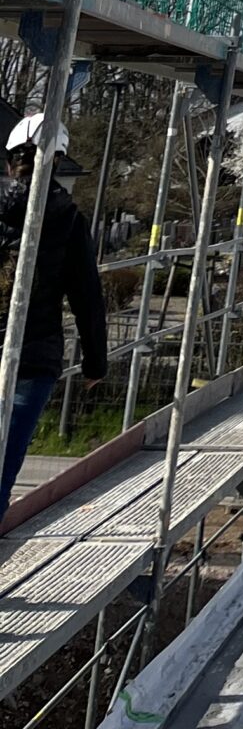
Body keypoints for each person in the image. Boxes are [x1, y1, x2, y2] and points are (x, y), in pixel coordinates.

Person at [0, 113, 109, 519]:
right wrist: (95, 362)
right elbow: (87, 296)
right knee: (3, 465)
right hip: (34, 358)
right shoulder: (68, 219)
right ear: (58, 162)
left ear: (10, 162)